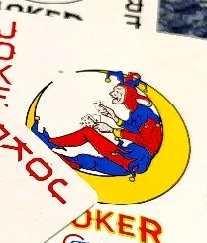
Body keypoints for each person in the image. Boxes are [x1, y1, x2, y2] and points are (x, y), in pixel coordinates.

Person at [33, 71, 162, 178]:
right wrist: (113, 116)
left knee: (86, 144)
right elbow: (133, 128)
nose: (112, 94)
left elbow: (144, 140)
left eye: (117, 92)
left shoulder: (145, 114)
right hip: (129, 157)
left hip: (133, 159)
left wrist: (112, 130)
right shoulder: (137, 111)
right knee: (86, 155)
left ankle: (49, 147)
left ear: (128, 95)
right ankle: (50, 148)